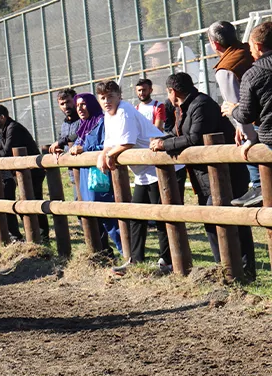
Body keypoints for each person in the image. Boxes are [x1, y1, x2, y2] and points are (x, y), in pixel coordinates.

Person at [151, 72, 255, 278]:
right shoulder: (183, 107)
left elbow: (195, 138)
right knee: (211, 222)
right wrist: (161, 139)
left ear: (173, 91)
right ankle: (223, 268)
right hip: (205, 177)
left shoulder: (202, 105)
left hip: (226, 174)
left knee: (232, 221)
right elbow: (179, 133)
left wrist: (164, 144)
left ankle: (244, 269)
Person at [96, 80, 185, 273]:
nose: (106, 101)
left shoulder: (124, 111)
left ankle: (167, 262)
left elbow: (126, 143)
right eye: (102, 98)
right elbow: (109, 142)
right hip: (143, 173)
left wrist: (109, 155)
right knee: (136, 216)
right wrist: (103, 154)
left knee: (161, 216)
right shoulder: (107, 115)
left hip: (162, 168)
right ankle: (135, 260)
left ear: (119, 96)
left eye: (110, 96)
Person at [53, 92, 122, 254]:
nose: (80, 109)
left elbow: (108, 145)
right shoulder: (84, 126)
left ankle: (128, 254)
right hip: (84, 179)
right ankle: (102, 253)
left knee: (108, 218)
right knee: (92, 217)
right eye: (78, 106)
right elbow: (75, 147)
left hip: (100, 176)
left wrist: (84, 149)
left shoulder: (102, 121)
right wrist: (62, 152)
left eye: (83, 104)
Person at [207, 20, 262, 207]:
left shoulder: (226, 69)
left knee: (254, 157)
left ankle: (258, 186)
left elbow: (237, 105)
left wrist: (248, 137)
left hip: (257, 125)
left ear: (215, 44)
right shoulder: (250, 51)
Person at [226, 20, 272, 208]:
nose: (250, 51)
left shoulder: (253, 74)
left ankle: (259, 187)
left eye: (251, 47)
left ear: (258, 46)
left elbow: (245, 114)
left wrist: (232, 109)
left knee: (253, 145)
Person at [0, 104, 48, 243]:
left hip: (33, 171)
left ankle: (42, 236)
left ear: (2, 117)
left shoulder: (13, 128)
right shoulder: (4, 129)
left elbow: (6, 151)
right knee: (25, 204)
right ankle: (35, 235)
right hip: (22, 173)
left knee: (33, 203)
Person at [47, 89, 80, 154]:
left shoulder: (84, 119)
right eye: (62, 104)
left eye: (68, 102)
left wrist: (60, 142)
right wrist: (58, 149)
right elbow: (61, 141)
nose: (65, 106)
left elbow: (80, 133)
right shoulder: (64, 125)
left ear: (76, 100)